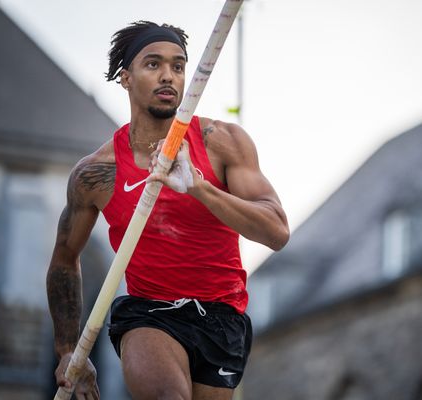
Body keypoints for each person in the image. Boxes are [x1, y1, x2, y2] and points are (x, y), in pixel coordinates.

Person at [46, 20, 289, 400]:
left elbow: (276, 232)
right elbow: (64, 259)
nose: (168, 76)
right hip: (149, 313)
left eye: (178, 66)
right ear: (126, 78)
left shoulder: (223, 143)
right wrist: (67, 352)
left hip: (222, 317)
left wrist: (201, 189)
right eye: (153, 64)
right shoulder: (96, 174)